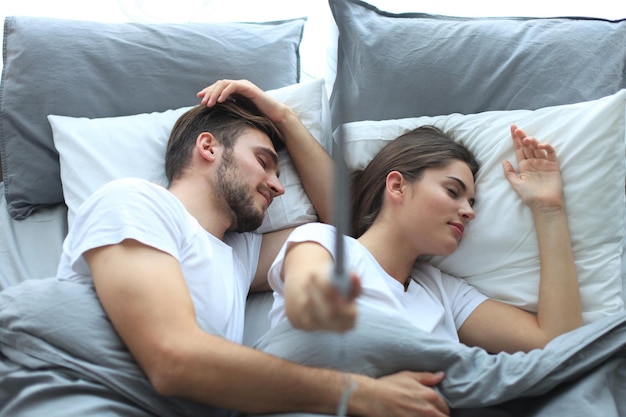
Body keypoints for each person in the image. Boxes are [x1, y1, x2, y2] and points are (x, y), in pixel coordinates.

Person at [0, 80, 451, 417]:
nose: (277, 186)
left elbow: (346, 230)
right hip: (85, 390)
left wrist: (286, 120)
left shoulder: (239, 257)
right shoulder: (136, 201)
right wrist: (358, 394)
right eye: (264, 161)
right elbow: (172, 358)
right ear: (208, 147)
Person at [267, 124, 583, 354]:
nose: (468, 212)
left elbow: (557, 343)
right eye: (453, 191)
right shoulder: (323, 242)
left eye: (472, 203)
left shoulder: (441, 292)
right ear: (397, 186)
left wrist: (548, 208)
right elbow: (310, 299)